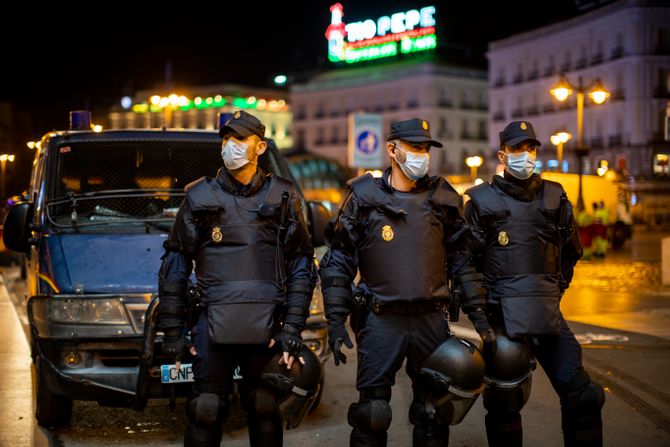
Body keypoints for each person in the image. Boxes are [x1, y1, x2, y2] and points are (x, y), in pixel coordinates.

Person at [319, 118, 490, 446]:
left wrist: (480, 317)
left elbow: (461, 262)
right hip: (382, 319)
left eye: (426, 148)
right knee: (373, 414)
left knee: (433, 413)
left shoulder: (444, 198)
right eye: (415, 147)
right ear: (392, 150)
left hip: (431, 320)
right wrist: (336, 322)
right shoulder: (363, 197)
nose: (422, 154)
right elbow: (338, 261)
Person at [157, 110, 316, 447]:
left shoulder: (283, 196)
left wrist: (292, 329)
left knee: (264, 404)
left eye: (240, 139)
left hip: (267, 327)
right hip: (212, 324)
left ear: (260, 147)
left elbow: (302, 262)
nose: (230, 146)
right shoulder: (199, 197)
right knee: (206, 408)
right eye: (226, 139)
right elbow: (176, 261)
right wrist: (172, 330)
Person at [463, 120, 606, 447]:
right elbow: (464, 264)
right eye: (517, 149)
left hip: (546, 316)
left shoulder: (555, 197)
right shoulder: (481, 202)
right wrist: (482, 313)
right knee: (504, 404)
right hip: (502, 319)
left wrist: (551, 292)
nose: (525, 155)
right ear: (502, 154)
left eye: (530, 148)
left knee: (584, 398)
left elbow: (571, 252)